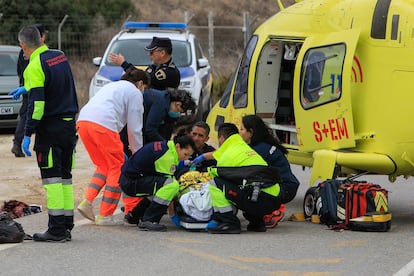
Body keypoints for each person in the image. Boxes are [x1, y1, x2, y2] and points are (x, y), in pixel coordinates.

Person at [15, 25, 79, 242]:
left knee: (52, 180)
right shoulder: (58, 56)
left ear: (23, 45)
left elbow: (38, 105)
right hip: (69, 126)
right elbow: (55, 83)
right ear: (41, 40)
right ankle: (67, 224)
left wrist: (27, 132)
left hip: (50, 129)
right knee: (65, 177)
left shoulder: (33, 66)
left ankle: (56, 230)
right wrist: (27, 88)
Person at [76, 68, 150, 226]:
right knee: (118, 167)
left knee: (104, 165)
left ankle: (87, 202)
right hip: (104, 126)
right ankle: (105, 215)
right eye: (145, 88)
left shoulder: (112, 86)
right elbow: (134, 128)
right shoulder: (135, 92)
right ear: (141, 83)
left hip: (83, 122)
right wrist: (138, 154)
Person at [192, 123, 282, 233]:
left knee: (214, 183)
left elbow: (216, 173)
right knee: (247, 185)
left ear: (222, 138)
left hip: (257, 199)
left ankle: (229, 222)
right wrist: (204, 157)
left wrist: (199, 172)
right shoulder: (243, 148)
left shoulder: (228, 154)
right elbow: (217, 154)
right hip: (275, 198)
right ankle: (257, 223)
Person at [119, 135, 196, 231]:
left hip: (129, 179)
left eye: (188, 156)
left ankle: (133, 217)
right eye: (185, 154)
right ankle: (150, 220)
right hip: (131, 183)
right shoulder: (166, 157)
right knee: (172, 186)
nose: (186, 158)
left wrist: (186, 163)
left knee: (161, 188)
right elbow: (169, 186)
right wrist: (172, 214)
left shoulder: (166, 147)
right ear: (177, 146)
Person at [240, 114, 300, 228]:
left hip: (285, 188)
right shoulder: (261, 145)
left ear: (251, 132)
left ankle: (274, 210)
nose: (240, 132)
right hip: (286, 185)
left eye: (242, 129)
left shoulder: (260, 150)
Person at [10, 24, 47, 157]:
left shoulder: (24, 52)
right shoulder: (44, 54)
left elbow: (20, 70)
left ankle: (17, 143)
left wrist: (24, 84)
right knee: (32, 113)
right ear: (40, 36)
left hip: (28, 86)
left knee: (25, 115)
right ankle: (22, 142)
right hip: (34, 88)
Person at [109, 36, 180, 91]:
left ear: (162, 53)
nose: (149, 55)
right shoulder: (153, 67)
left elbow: (143, 78)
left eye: (152, 52)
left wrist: (124, 64)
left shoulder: (170, 72)